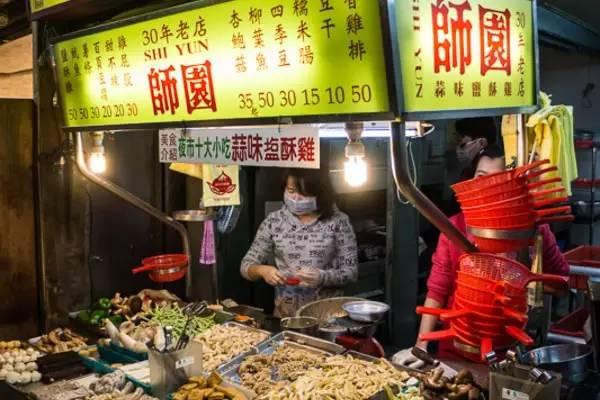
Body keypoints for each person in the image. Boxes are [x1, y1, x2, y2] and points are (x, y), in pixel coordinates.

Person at [393, 145, 569, 367]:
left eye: (498, 180)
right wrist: (421, 346)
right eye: (481, 177)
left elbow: (562, 284)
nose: (487, 187)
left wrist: (526, 280)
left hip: (508, 354)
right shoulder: (455, 227)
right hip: (456, 349)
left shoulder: (534, 231)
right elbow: (437, 290)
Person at [240, 168, 358, 317]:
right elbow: (246, 266)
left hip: (328, 315)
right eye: (291, 191)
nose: (296, 198)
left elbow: (351, 273)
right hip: (286, 315)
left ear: (320, 193)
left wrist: (321, 277)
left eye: (304, 193)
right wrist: (262, 271)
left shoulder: (339, 222)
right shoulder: (274, 221)